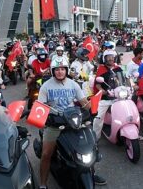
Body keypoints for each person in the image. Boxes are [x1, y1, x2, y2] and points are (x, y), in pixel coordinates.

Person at [38, 57, 106, 188]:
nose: (60, 72)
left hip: (73, 120)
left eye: (63, 69)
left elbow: (83, 102)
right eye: (57, 69)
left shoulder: (73, 84)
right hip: (55, 122)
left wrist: (92, 108)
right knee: (46, 154)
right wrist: (45, 117)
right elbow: (41, 106)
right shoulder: (45, 86)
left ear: (66, 70)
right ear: (53, 71)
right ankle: (42, 184)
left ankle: (91, 171)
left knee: (90, 144)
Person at [93, 49, 124, 141]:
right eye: (108, 57)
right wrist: (102, 90)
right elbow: (97, 84)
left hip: (118, 96)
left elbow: (123, 80)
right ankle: (95, 138)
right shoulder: (101, 69)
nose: (110, 59)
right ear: (104, 58)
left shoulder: (118, 68)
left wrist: (129, 86)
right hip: (105, 97)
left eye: (112, 57)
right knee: (98, 118)